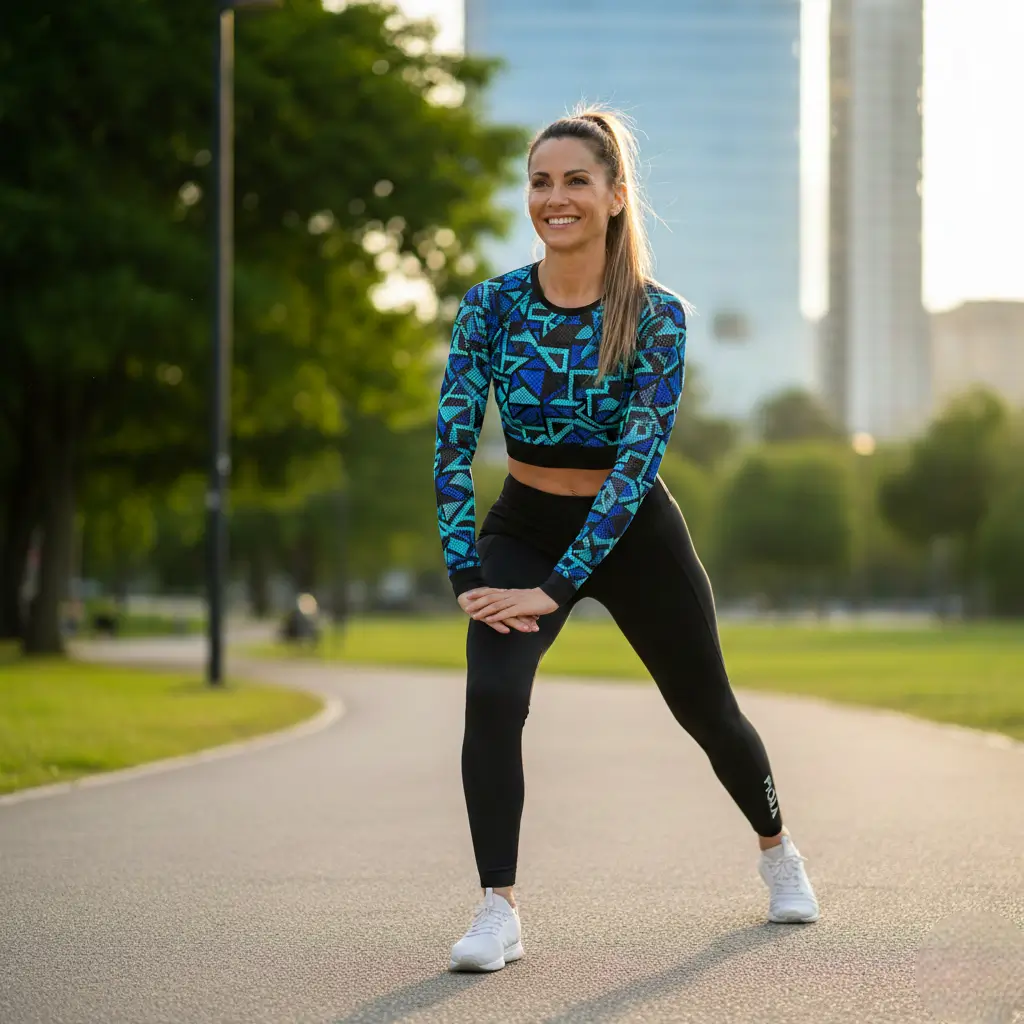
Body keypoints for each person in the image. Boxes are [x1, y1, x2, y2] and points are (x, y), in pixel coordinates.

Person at [433, 106, 819, 974]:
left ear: (613, 196)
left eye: (576, 181)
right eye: (541, 181)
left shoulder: (657, 316)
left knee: (707, 710)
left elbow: (635, 468)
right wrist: (468, 568)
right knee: (492, 699)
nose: (555, 198)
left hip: (632, 530)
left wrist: (558, 590)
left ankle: (778, 852)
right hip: (524, 524)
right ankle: (499, 910)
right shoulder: (490, 307)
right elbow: (452, 444)